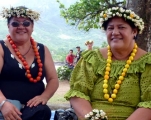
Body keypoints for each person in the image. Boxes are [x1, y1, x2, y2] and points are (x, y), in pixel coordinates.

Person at [64, 6, 151, 120]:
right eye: (110, 28)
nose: (115, 32)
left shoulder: (147, 63)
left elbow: (148, 103)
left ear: (134, 31)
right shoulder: (92, 59)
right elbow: (78, 93)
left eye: (121, 27)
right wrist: (92, 118)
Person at [0, 6, 59, 120]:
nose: (21, 27)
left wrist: (44, 97)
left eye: (26, 23)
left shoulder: (42, 49)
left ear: (32, 27)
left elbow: (53, 79)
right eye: (15, 24)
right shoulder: (1, 47)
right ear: (8, 26)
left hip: (34, 110)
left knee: (42, 112)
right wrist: (3, 104)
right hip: (4, 106)